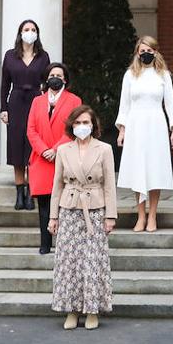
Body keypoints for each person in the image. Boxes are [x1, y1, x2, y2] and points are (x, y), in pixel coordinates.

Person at [48, 106, 117, 331]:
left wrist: (110, 216)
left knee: (92, 261)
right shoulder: (63, 150)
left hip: (95, 209)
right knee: (69, 262)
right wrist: (53, 216)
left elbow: (109, 185)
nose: (81, 127)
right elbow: (57, 184)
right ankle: (71, 310)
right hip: (69, 208)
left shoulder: (104, 149)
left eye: (85, 122)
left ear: (93, 125)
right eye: (77, 123)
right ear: (71, 126)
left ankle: (92, 310)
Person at [116, 36, 173, 233]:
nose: (145, 54)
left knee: (154, 170)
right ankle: (140, 215)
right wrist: (122, 130)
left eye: (149, 50)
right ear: (137, 52)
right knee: (138, 170)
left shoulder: (163, 74)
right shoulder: (130, 75)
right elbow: (124, 104)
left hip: (156, 125)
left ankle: (152, 214)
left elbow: (170, 104)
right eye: (142, 50)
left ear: (155, 52)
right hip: (135, 125)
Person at [26, 62, 80, 254]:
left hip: (63, 157)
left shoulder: (74, 101)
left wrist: (56, 149)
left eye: (59, 75)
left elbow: (74, 128)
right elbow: (31, 130)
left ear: (65, 79)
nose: (54, 78)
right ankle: (45, 243)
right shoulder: (37, 101)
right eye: (51, 75)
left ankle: (64, 244)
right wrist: (43, 150)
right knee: (44, 204)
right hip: (41, 159)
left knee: (64, 203)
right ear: (46, 79)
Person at [0, 19, 51, 211]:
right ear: (20, 33)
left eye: (33, 29)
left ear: (37, 33)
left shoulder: (43, 56)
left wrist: (48, 105)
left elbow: (47, 83)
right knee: (16, 147)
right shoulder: (11, 55)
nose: (29, 32)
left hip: (36, 102)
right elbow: (5, 83)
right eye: (26, 29)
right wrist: (3, 108)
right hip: (16, 103)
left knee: (32, 149)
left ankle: (31, 193)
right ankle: (19, 193)